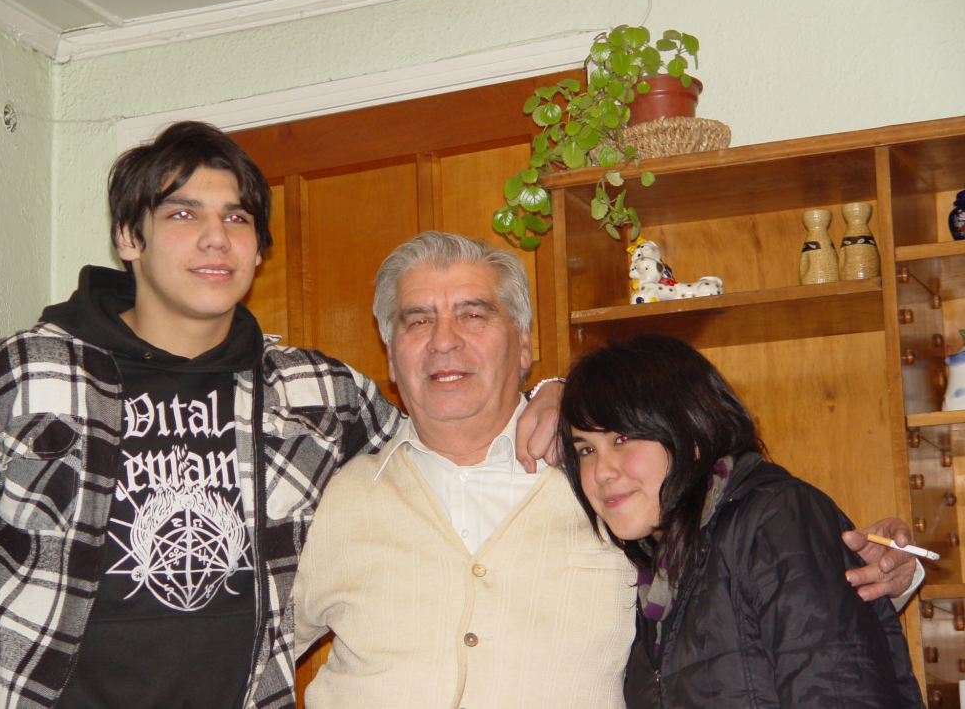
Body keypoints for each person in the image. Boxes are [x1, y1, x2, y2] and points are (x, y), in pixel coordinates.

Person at [0, 124, 559, 709]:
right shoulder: (26, 376)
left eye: (237, 218)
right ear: (128, 236)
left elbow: (448, 430)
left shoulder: (315, 394)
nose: (215, 239)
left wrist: (560, 394)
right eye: (182, 214)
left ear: (257, 248)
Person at [291, 232, 921, 709]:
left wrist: (886, 567)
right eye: (417, 320)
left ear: (525, 344)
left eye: (474, 314)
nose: (443, 339)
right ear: (390, 356)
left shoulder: (615, 485)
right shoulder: (329, 498)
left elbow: (751, 576)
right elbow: (252, 647)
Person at [558, 335, 925, 708]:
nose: (601, 471)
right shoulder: (658, 576)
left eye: (622, 438)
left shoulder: (776, 520)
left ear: (691, 429)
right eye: (586, 449)